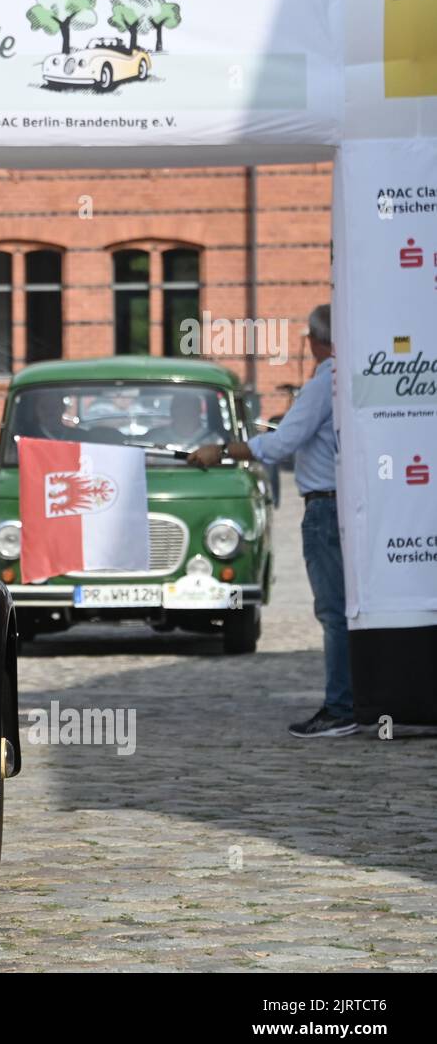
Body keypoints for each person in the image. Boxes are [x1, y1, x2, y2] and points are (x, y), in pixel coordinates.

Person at [189, 304, 353, 738]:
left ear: (316, 341)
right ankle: (355, 700)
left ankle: (342, 706)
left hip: (324, 506)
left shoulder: (324, 382)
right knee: (344, 610)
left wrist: (221, 450)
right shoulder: (350, 374)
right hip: (347, 504)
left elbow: (283, 444)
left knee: (332, 609)